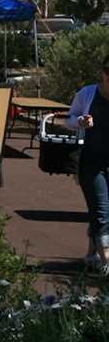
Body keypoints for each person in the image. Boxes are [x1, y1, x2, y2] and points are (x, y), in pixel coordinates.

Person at [66, 55, 109, 275]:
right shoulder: (87, 94)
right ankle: (106, 260)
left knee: (99, 211)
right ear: (103, 73)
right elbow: (69, 118)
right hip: (91, 161)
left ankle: (92, 255)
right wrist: (80, 121)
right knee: (101, 209)